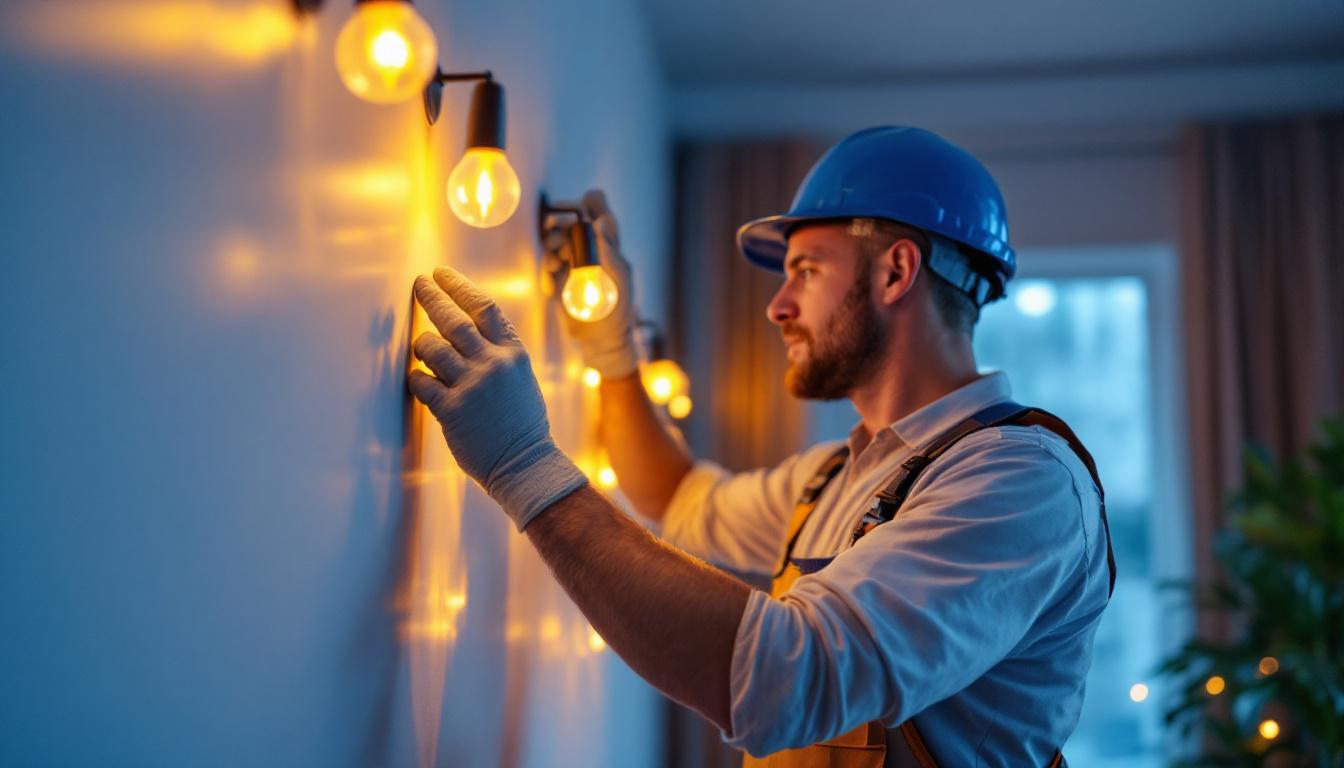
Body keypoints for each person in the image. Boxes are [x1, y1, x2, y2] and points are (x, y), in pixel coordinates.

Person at [407, 126, 1116, 767]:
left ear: (897, 272)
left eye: (805, 270)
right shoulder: (837, 478)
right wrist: (614, 351)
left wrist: (525, 468)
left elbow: (792, 678)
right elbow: (677, 497)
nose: (777, 306)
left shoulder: (1019, 480)